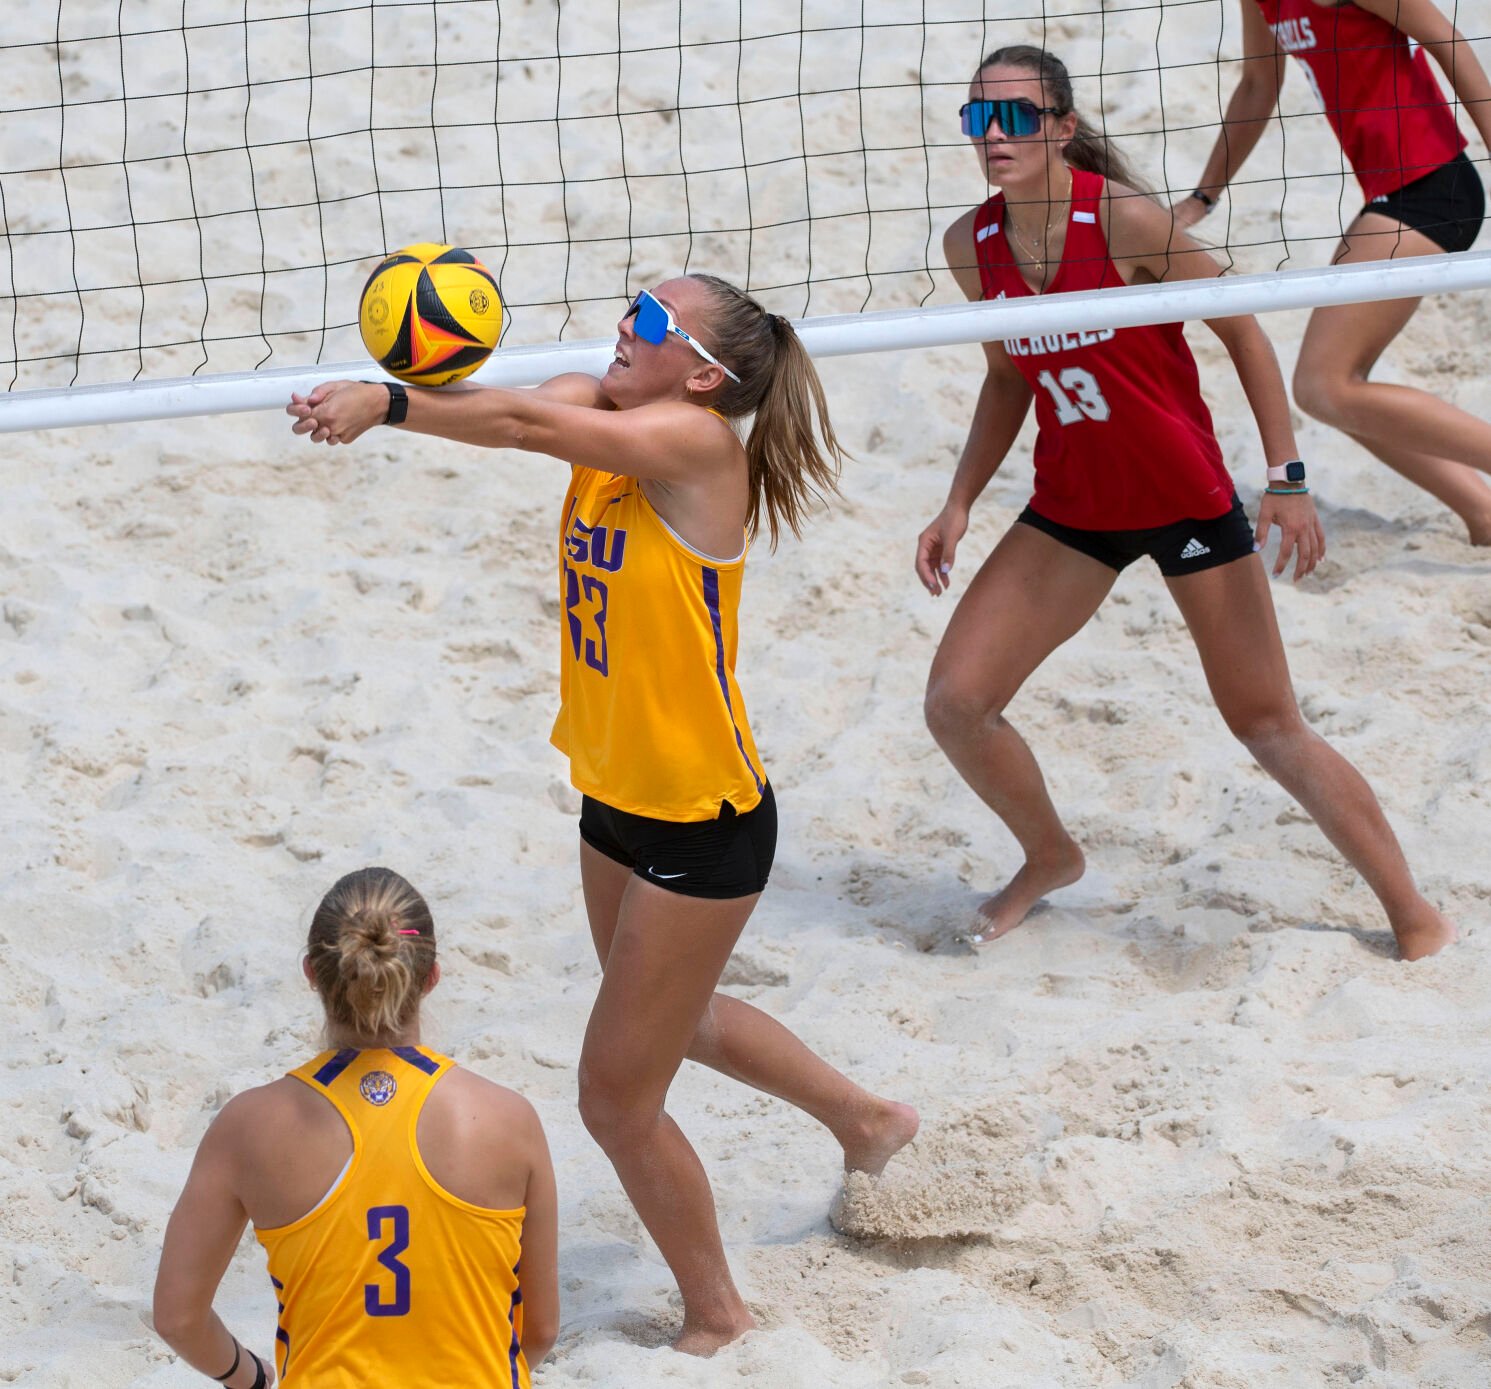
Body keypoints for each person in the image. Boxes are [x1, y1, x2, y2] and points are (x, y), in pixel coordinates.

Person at [286, 277, 919, 1354]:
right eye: (635, 304)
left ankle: (718, 1309)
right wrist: (403, 388)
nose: (627, 328)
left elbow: (530, 424)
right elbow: (505, 410)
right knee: (684, 1020)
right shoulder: (612, 405)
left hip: (701, 822)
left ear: (705, 375)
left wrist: (385, 408)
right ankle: (869, 1121)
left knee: (615, 1101)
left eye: (654, 325)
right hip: (615, 796)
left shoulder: (694, 444)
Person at [918, 44, 1456, 962]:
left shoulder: (1123, 220)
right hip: (1074, 508)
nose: (993, 136)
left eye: (1015, 117)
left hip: (1185, 501)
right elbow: (1006, 378)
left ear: (1061, 128)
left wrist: (1286, 478)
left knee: (1266, 723)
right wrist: (959, 499)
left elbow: (1240, 326)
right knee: (956, 702)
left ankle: (1413, 913)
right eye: (979, 118)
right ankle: (1049, 855)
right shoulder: (969, 246)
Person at [153, 867, 559, 1387]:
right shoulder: (507, 1118)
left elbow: (178, 1318)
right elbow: (540, 1331)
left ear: (313, 975)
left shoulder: (249, 1125)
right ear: (430, 977)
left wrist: (249, 1376)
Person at [1174, 0, 1491, 544]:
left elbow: (1448, 41)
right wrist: (1204, 196)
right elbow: (1257, 85)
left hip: (1431, 186)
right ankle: (1482, 512)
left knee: (1324, 385)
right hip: (1390, 195)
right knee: (1333, 389)